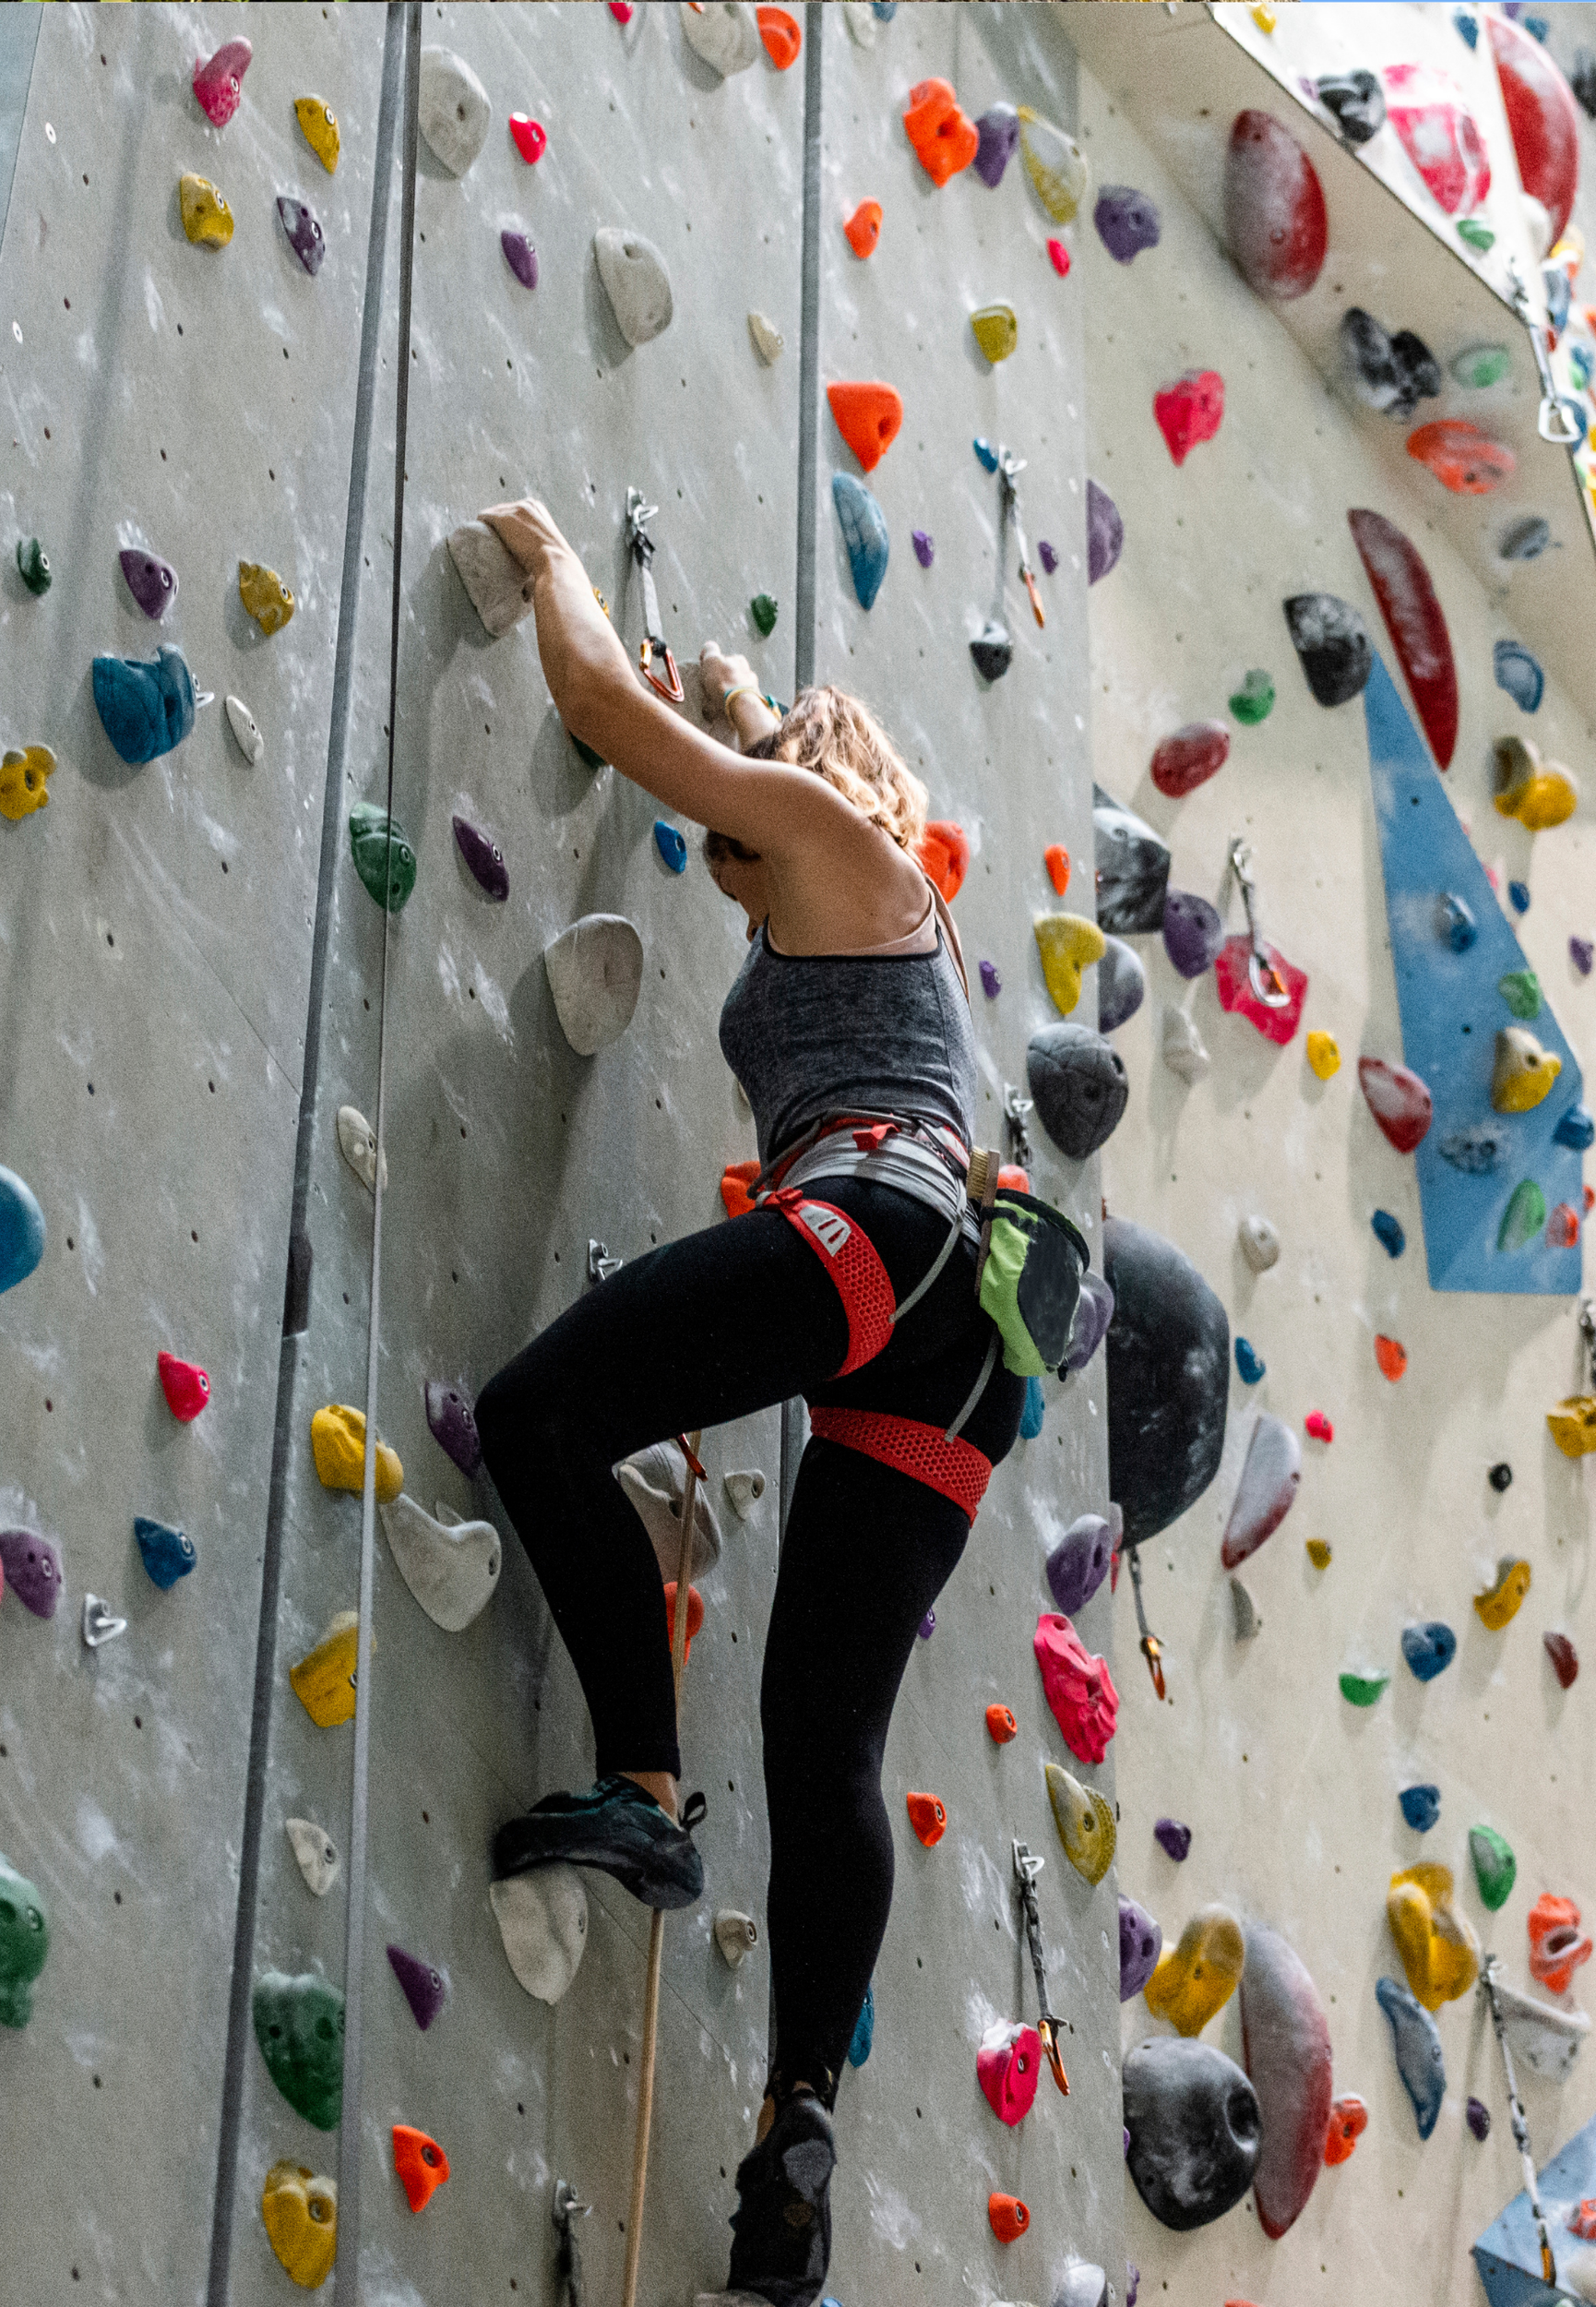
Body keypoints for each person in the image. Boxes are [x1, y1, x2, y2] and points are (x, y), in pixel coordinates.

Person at [470, 499, 1021, 2306]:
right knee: (821, 1741)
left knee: (543, 1415)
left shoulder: (831, 833)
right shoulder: (855, 890)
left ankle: (637, 1782)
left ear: (791, 785)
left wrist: (552, 559)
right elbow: (710, 721)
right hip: (955, 1318)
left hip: (879, 1215)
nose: (726, 845)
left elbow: (625, 717)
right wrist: (729, 690)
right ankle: (793, 2154)